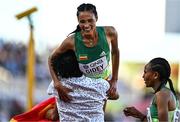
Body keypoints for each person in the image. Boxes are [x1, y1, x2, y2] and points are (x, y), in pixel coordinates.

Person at [48, 3, 120, 103]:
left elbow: (115, 52)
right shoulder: (71, 41)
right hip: (83, 84)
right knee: (59, 113)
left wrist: (115, 80)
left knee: (105, 109)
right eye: (82, 22)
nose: (86, 25)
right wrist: (56, 83)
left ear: (97, 18)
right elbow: (51, 58)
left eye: (90, 20)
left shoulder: (110, 32)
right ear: (78, 21)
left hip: (104, 81)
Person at [47, 49, 110, 121]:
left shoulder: (57, 85)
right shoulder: (102, 84)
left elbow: (53, 116)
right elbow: (114, 96)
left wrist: (44, 113)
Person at [123, 57, 179, 122]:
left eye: (145, 72)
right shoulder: (163, 93)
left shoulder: (161, 95)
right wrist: (139, 115)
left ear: (155, 75)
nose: (143, 76)